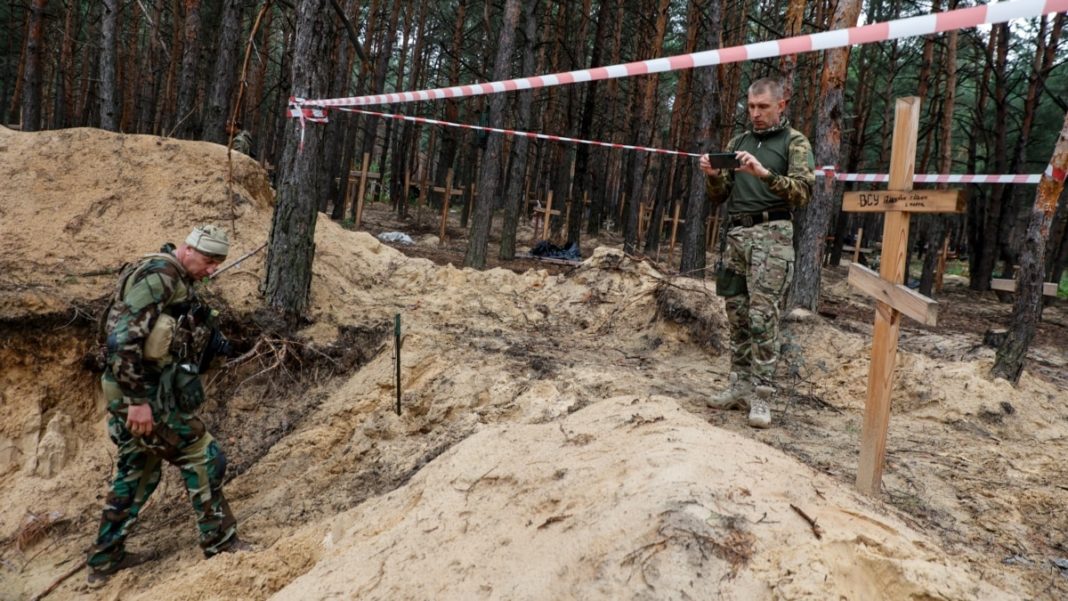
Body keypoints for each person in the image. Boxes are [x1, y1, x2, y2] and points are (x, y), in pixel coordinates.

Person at [87, 225, 249, 585]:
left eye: (217, 264)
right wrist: (138, 403)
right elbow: (123, 340)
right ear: (188, 249)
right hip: (137, 394)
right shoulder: (160, 276)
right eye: (208, 261)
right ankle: (220, 544)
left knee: (139, 470)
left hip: (134, 391)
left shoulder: (173, 275)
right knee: (203, 454)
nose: (212, 270)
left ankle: (104, 559)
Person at [699, 77, 815, 428]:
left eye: (763, 107)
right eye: (751, 107)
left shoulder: (794, 142)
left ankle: (762, 397)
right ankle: (738, 386)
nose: (756, 114)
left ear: (782, 104)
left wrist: (764, 174)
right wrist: (714, 175)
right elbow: (720, 196)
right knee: (736, 314)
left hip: (772, 235)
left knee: (763, 319)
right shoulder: (739, 142)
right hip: (737, 233)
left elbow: (802, 193)